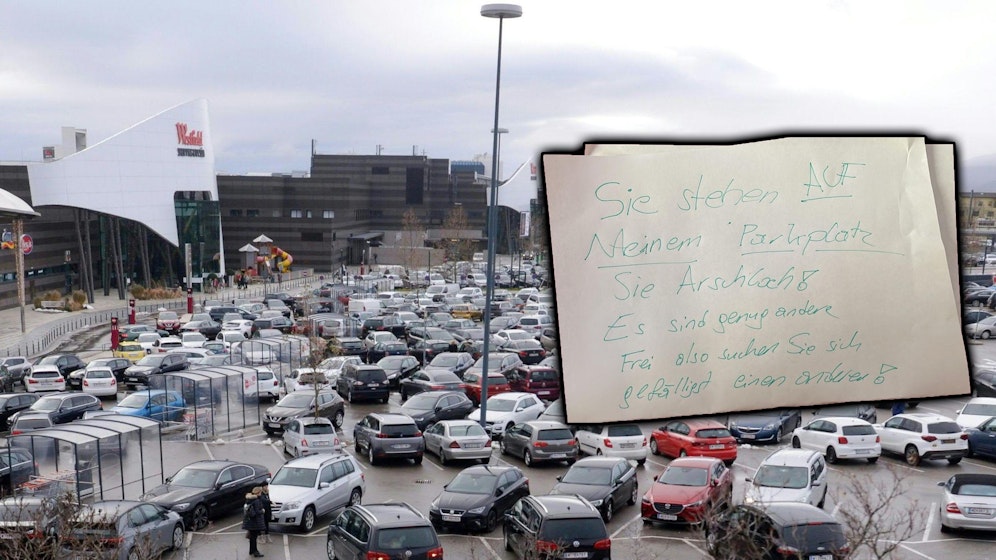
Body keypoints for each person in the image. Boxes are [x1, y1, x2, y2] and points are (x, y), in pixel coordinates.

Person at [243, 486, 266, 557]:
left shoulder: (249, 500)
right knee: (254, 537)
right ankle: (255, 551)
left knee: (252, 537)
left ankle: (251, 550)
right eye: (260, 492)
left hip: (249, 522)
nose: (261, 493)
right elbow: (256, 512)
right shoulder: (256, 501)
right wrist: (262, 511)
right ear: (258, 492)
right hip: (255, 522)